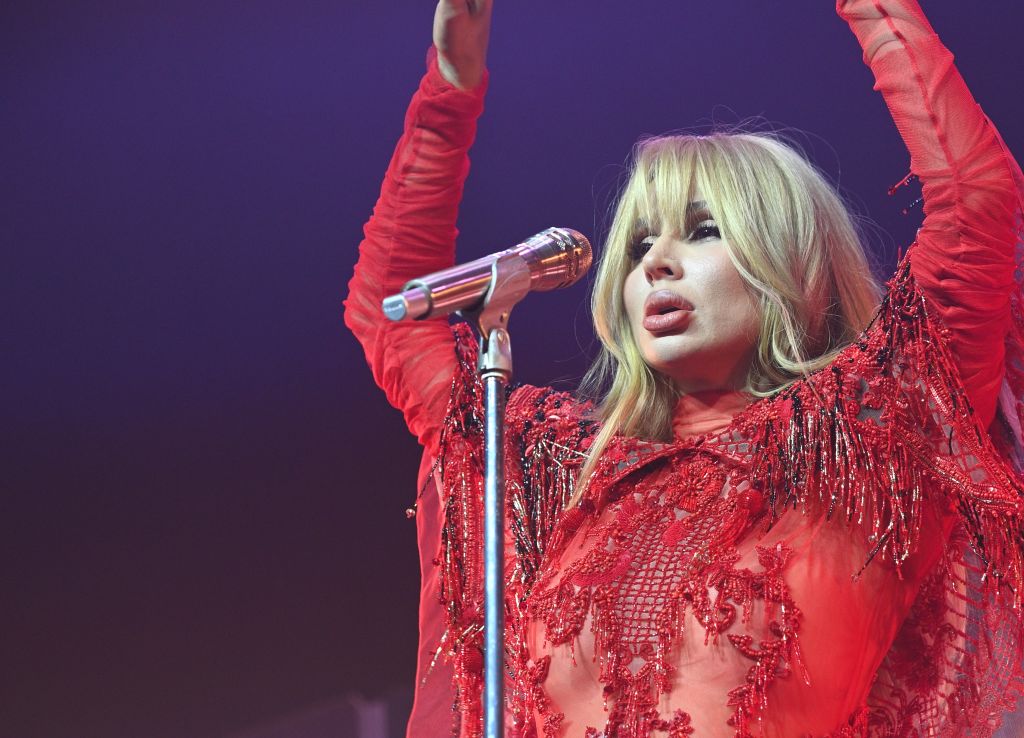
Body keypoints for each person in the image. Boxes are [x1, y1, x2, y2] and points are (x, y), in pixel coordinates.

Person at [345, 1, 1024, 736]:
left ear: (793, 261)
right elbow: (391, 312)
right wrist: (450, 85)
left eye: (702, 230)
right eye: (639, 245)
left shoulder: (875, 428)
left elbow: (976, 198)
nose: (656, 263)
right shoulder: (559, 470)